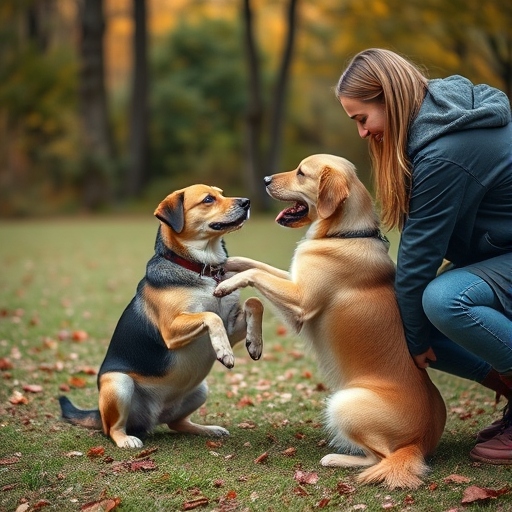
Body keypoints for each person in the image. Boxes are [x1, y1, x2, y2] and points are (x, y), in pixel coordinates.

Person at [335, 48, 512, 464]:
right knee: (408, 313)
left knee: (444, 300)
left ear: (390, 99)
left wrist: (413, 341)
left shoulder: (445, 151)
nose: (362, 132)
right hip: (499, 252)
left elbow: (417, 260)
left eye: (363, 118)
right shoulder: (438, 118)